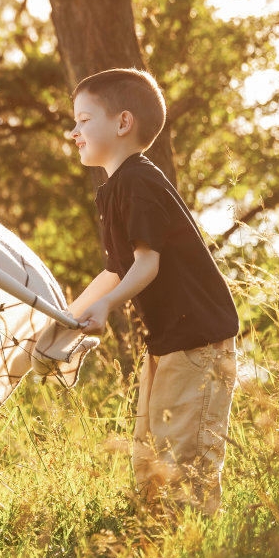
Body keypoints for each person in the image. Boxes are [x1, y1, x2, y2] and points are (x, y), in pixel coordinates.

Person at [66, 67, 240, 516]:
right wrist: (60, 320)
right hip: (168, 342)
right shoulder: (114, 190)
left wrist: (105, 306)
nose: (74, 132)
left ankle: (191, 552)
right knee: (152, 452)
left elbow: (147, 263)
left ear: (122, 123)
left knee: (184, 458)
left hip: (198, 340)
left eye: (84, 120)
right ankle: (155, 540)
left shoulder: (139, 182)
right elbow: (114, 271)